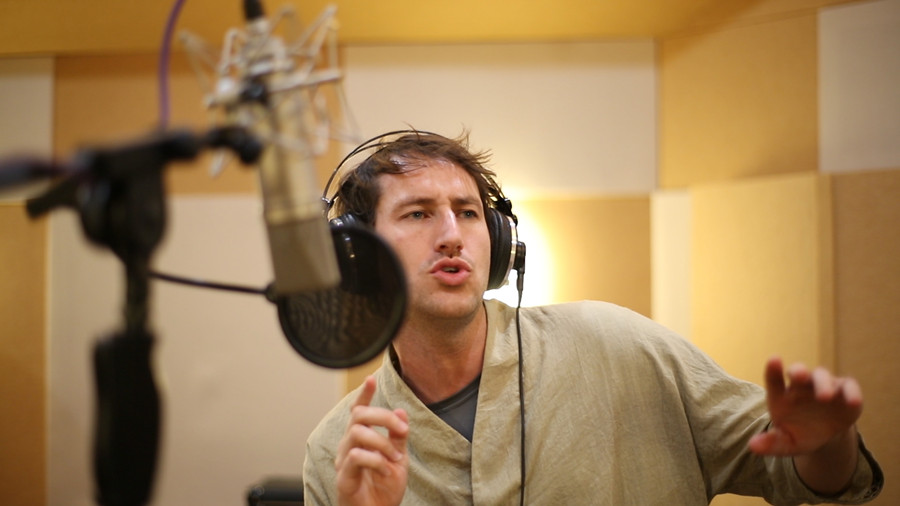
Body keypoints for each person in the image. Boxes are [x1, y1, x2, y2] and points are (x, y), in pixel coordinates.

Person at [303, 130, 883, 505]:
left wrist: (828, 443)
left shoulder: (618, 345)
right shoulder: (339, 453)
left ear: (499, 242)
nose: (452, 235)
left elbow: (803, 474)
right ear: (359, 257)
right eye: (418, 213)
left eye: (468, 212)